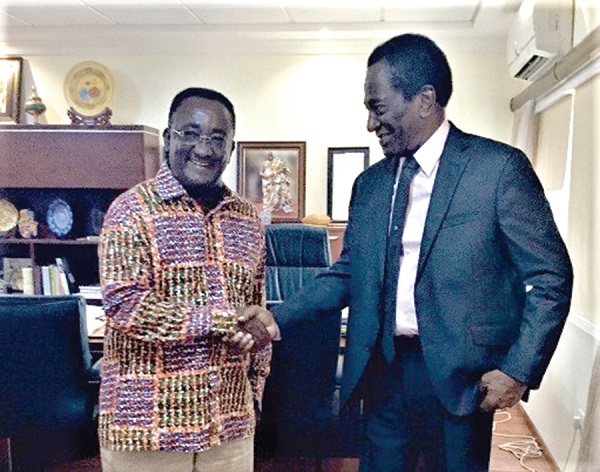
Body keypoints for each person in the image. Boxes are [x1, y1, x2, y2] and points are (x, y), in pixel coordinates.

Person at [270, 34, 573, 471]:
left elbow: (551, 278)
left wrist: (518, 369)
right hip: (381, 376)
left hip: (461, 384)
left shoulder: (497, 170)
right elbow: (348, 272)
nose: (370, 124)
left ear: (425, 99)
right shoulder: (370, 186)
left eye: (378, 107)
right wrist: (275, 318)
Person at [97, 87, 279, 472]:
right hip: (147, 431)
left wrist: (255, 394)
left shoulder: (247, 218)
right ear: (168, 138)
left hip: (228, 425)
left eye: (218, 138)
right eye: (191, 133)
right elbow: (126, 306)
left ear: (231, 148)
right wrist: (221, 319)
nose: (204, 148)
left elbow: (256, 310)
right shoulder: (131, 211)